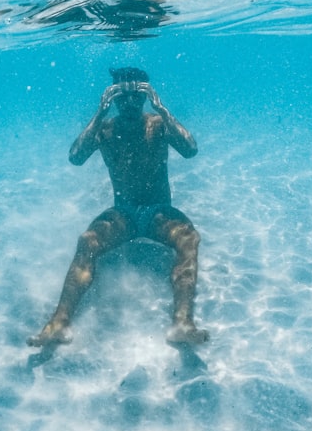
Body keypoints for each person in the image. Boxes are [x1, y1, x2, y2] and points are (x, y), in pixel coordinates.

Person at [28, 67, 209, 347]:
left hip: (159, 211)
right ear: (112, 98)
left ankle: (182, 323)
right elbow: (76, 157)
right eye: (121, 96)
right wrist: (99, 112)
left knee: (189, 238)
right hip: (122, 213)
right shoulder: (104, 129)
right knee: (87, 241)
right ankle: (59, 323)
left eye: (136, 95)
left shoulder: (158, 124)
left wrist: (161, 107)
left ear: (145, 96)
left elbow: (190, 149)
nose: (129, 102)